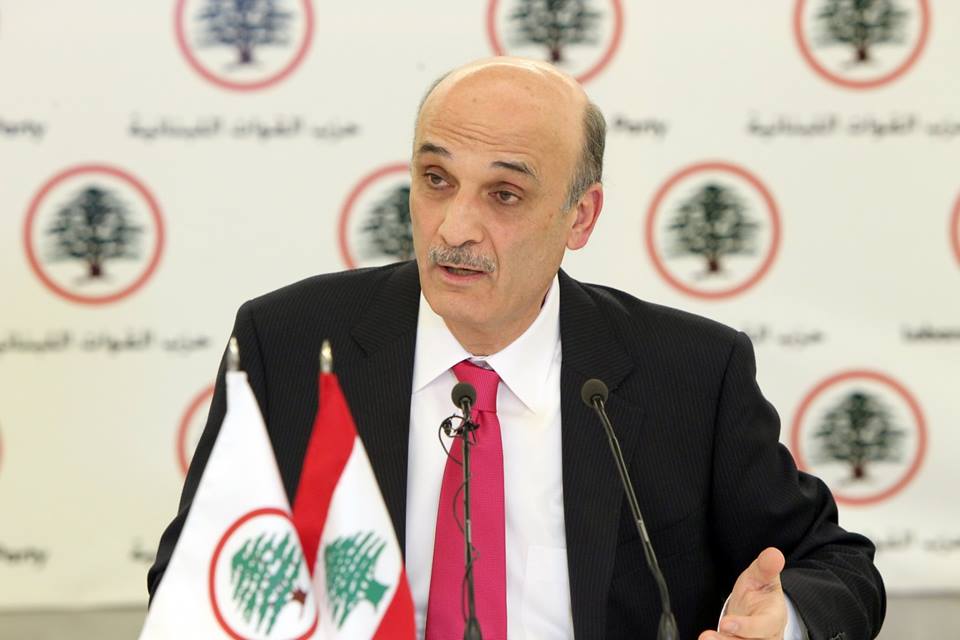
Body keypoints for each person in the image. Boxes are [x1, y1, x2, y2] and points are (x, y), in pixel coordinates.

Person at [148, 57, 885, 639]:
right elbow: (195, 578)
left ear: (580, 217)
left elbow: (834, 564)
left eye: (504, 194)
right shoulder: (292, 345)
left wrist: (784, 622)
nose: (453, 229)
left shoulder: (689, 373)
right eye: (436, 180)